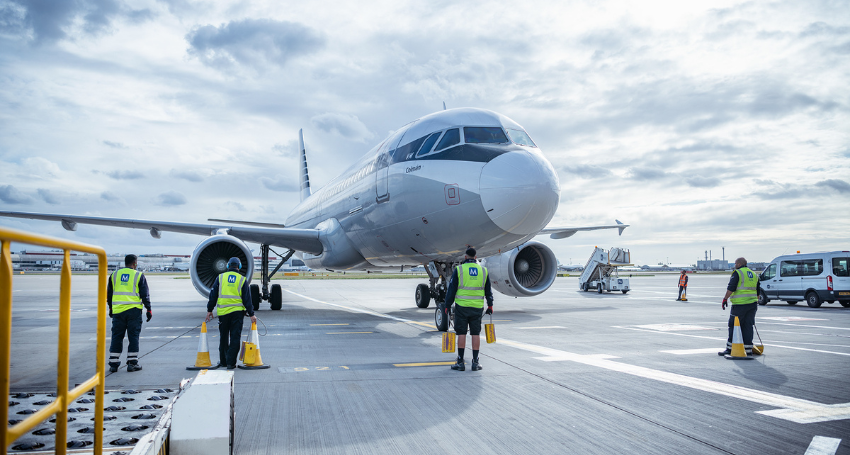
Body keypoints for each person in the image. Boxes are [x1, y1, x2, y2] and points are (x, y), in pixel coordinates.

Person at [444, 248, 493, 371]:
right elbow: (488, 291)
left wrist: (447, 305)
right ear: (476, 258)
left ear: (465, 257)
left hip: (462, 307)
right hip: (477, 307)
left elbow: (451, 290)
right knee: (475, 333)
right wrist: (490, 305)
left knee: (461, 333)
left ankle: (460, 362)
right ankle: (475, 363)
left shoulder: (459, 269)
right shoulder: (483, 271)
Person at [205, 257, 255, 369]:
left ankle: (223, 361)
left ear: (228, 266)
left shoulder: (220, 278)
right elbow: (247, 299)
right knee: (235, 337)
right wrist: (251, 314)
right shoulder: (242, 279)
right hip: (237, 313)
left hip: (223, 313)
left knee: (223, 337)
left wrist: (209, 310)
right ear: (239, 267)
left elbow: (213, 295)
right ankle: (231, 363)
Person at [107, 254, 152, 373]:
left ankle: (113, 363)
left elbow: (109, 294)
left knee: (117, 336)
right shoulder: (138, 275)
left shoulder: (114, 275)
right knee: (133, 336)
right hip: (134, 311)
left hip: (118, 311)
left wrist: (111, 309)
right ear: (135, 263)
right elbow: (145, 294)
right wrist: (149, 309)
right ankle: (132, 363)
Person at [718, 257, 761, 358]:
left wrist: (725, 299)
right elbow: (758, 291)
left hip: (739, 305)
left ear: (739, 264)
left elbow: (731, 288)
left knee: (734, 325)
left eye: (735, 263)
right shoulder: (754, 274)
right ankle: (748, 349)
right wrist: (755, 302)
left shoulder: (737, 273)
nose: (735, 265)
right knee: (748, 326)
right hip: (752, 305)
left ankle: (730, 348)